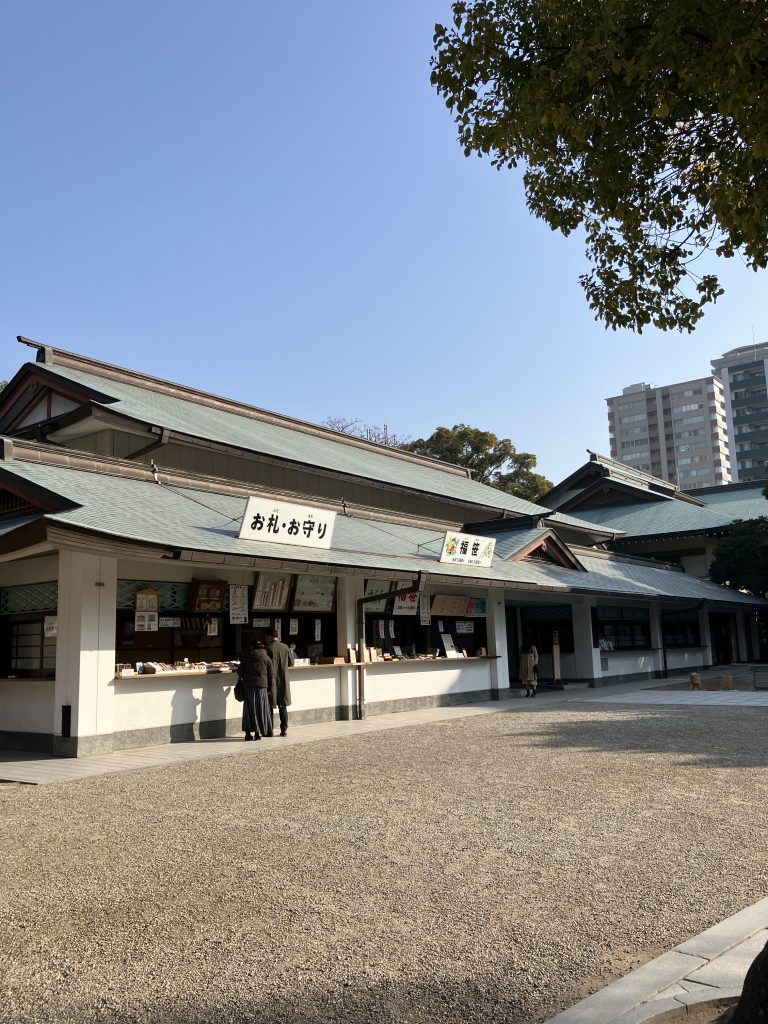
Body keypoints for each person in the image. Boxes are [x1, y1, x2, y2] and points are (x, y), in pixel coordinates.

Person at [238, 642, 274, 740]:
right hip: (262, 687)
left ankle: (248, 733)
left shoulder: (247, 657)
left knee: (248, 710)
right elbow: (271, 676)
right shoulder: (267, 658)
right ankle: (258, 733)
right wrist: (270, 689)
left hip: (248, 686)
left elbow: (240, 671)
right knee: (260, 709)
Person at [264, 628, 294, 736]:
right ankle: (284, 730)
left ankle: (269, 730)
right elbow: (291, 662)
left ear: (269, 636)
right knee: (283, 705)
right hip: (283, 680)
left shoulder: (268, 649)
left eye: (266, 637)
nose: (265, 640)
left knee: (269, 706)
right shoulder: (285, 647)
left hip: (271, 680)